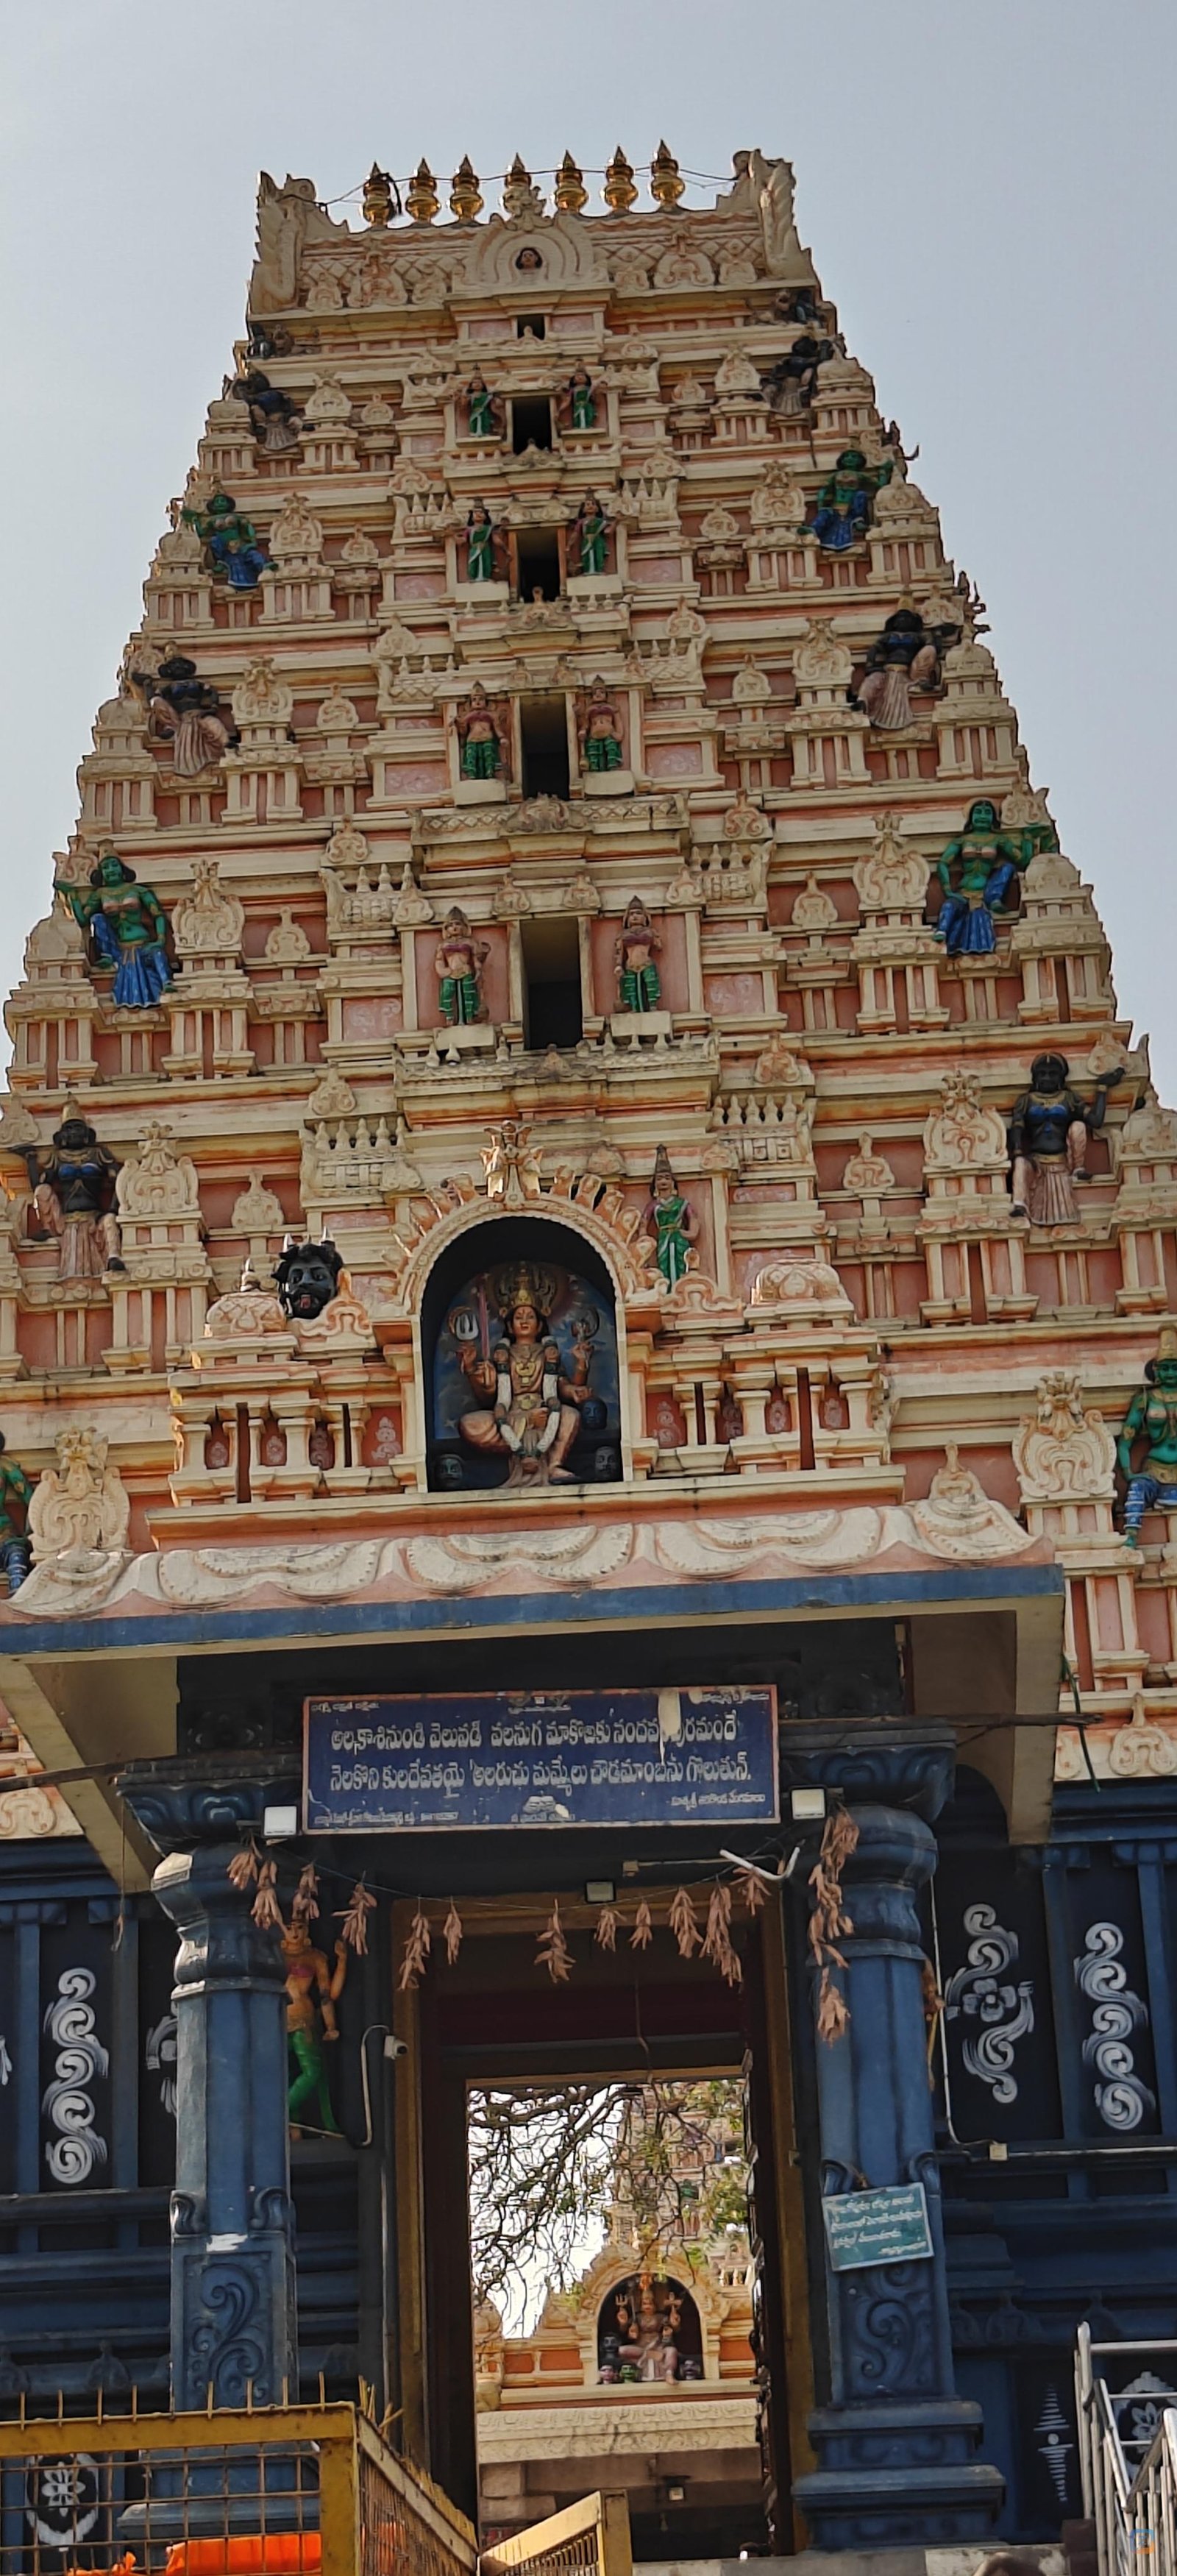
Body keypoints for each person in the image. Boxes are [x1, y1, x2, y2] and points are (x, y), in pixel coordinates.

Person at [457, 1266, 589, 1486]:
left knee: (571, 1416)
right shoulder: (501, 1355)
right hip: (509, 1414)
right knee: (468, 1424)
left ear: (539, 1325)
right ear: (510, 1324)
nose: (524, 1321)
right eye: (519, 1317)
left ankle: (555, 1465)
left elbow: (562, 1386)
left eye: (530, 1316)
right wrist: (472, 1370)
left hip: (547, 1414)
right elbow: (488, 1399)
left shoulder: (549, 1354)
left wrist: (580, 1373)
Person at [1008, 1051, 1123, 1225]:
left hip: (1064, 1160)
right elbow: (1017, 1129)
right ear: (1035, 1077)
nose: (1047, 1078)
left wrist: (1102, 1089)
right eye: (1042, 1074)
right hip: (1036, 1163)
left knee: (1078, 1126)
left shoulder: (1068, 1099)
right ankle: (1020, 1205)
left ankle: (1078, 1169)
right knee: (1020, 1164)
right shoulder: (1026, 1101)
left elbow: (1096, 1121)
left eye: (1053, 1074)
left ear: (1061, 1078)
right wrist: (1016, 1151)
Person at [17, 1104, 124, 1279]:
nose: (74, 1132)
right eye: (69, 1128)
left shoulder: (97, 1154)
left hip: (93, 1217)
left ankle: (113, 1258)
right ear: (63, 1136)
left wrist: (112, 1208)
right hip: (65, 1219)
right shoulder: (58, 1158)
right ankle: (46, 1228)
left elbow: (121, 1180)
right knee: (42, 1190)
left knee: (110, 1220)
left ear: (86, 1133)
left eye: (78, 1128)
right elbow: (40, 1185)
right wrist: (31, 1160)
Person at [59, 850, 172, 1009]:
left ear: (122, 870)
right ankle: (106, 954)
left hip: (142, 943)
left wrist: (160, 939)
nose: (111, 870)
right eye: (106, 867)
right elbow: (83, 919)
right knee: (98, 919)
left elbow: (158, 915)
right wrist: (73, 897)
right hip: (119, 948)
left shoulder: (138, 890)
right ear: (102, 874)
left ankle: (167, 983)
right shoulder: (100, 894)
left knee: (157, 954)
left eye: (114, 865)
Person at [933, 798, 1031, 957]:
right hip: (964, 891)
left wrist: (1028, 839)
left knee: (1008, 868)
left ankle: (995, 899)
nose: (983, 816)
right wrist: (947, 890)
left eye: (987, 813)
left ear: (993, 819)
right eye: (978, 812)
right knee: (949, 906)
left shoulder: (998, 839)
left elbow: (1023, 861)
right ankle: (942, 931)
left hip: (985, 891)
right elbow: (943, 863)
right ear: (971, 818)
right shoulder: (962, 840)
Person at [283, 1917, 348, 2137]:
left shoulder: (315, 1957)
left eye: (300, 1927)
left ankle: (284, 2110)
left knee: (313, 2072)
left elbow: (327, 1996)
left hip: (304, 2020)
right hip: (275, 2022)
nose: (294, 1933)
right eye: (289, 1927)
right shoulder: (271, 1955)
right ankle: (292, 2125)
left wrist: (342, 1962)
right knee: (284, 2074)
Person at [1117, 1328, 1177, 1546]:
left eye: (1175, 1368)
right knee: (1137, 1490)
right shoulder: (1146, 1399)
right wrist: (1128, 1472)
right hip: (1155, 1470)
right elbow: (1125, 1440)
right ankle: (1132, 1536)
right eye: (1165, 1368)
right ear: (1156, 1371)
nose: (1170, 1374)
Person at [182, 489, 270, 589]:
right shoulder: (212, 520)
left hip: (241, 546)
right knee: (217, 543)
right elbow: (202, 533)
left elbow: (248, 528)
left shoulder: (237, 517)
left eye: (223, 501)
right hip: (226, 550)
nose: (220, 504)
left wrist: (252, 542)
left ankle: (265, 566)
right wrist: (195, 520)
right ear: (213, 506)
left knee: (255, 556)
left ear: (229, 504)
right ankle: (222, 564)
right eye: (217, 502)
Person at [811, 449, 887, 551]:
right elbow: (823, 491)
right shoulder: (835, 476)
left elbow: (880, 486)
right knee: (824, 514)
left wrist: (883, 472)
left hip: (852, 509)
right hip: (836, 507)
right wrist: (821, 507)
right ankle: (812, 531)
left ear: (860, 461)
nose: (850, 459)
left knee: (861, 495)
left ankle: (858, 520)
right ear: (841, 460)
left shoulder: (861, 475)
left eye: (854, 457)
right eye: (847, 456)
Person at [644, 1146, 698, 1286]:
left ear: (673, 1183)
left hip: (679, 1237)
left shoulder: (681, 1203)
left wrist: (690, 1233)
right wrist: (644, 1241)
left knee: (681, 1264)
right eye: (660, 1179)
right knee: (664, 1266)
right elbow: (643, 1223)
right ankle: (669, 1291)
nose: (663, 1181)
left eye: (667, 1178)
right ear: (655, 1184)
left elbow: (693, 1218)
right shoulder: (653, 1205)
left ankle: (680, 1288)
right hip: (663, 1239)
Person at [0, 1435, 34, 1594]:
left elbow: (30, 1498)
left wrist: (36, 1527)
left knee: (16, 1554)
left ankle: (18, 1597)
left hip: (3, 1532)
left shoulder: (4, 1466)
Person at [615, 898, 661, 1010]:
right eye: (631, 914)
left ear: (645, 917)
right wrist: (618, 965)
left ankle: (653, 1006)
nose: (635, 917)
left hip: (646, 963)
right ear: (627, 918)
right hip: (630, 964)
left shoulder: (650, 932)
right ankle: (634, 1009)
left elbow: (658, 946)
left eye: (639, 913)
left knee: (651, 986)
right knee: (631, 989)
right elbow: (619, 952)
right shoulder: (623, 934)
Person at [580, 680, 624, 772]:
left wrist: (619, 733)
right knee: (593, 750)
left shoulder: (612, 708)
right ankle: (594, 768)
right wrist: (583, 731)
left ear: (607, 695)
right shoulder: (589, 710)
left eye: (602, 692)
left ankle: (612, 766)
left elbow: (618, 722)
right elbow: (586, 724)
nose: (598, 695)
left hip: (609, 733)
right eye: (595, 693)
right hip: (594, 734)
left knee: (611, 748)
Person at [465, 500, 499, 582]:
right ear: (472, 517)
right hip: (474, 549)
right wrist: (453, 535)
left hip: (485, 549)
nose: (478, 514)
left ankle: (486, 576)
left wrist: (506, 550)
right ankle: (473, 577)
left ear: (485, 516)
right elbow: (463, 540)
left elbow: (496, 540)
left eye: (481, 512)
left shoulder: (489, 529)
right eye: (475, 512)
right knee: (473, 564)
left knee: (486, 563)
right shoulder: (469, 530)